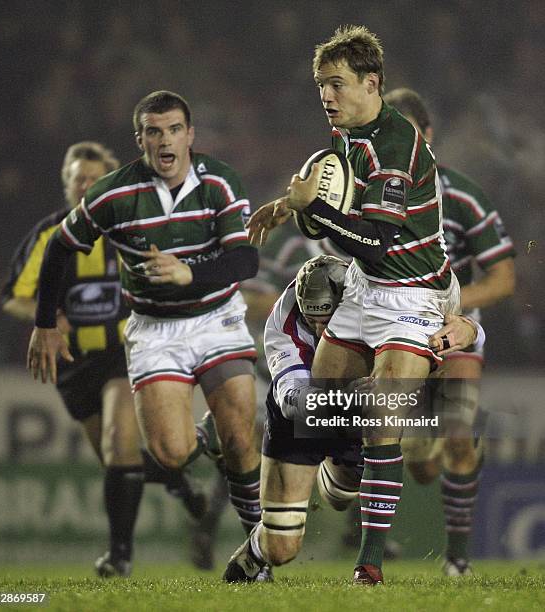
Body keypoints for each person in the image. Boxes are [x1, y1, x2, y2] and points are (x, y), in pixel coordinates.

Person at [247, 25, 462, 584]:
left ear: (373, 83)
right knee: (323, 406)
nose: (327, 95)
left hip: (415, 294)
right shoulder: (347, 132)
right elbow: (345, 210)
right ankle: (345, 466)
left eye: (337, 84)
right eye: (321, 84)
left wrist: (314, 210)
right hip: (367, 287)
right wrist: (284, 206)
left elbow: (376, 238)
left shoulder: (397, 145)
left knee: (384, 419)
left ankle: (369, 565)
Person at [25, 92, 266, 569]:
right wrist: (45, 321)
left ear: (190, 135)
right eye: (153, 132)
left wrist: (190, 274)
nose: (165, 140)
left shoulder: (219, 181)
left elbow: (245, 259)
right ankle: (205, 439)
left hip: (216, 317)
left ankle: (257, 553)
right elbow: (59, 249)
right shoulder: (113, 194)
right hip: (155, 330)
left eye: (174, 129)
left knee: (240, 431)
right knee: (171, 452)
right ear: (140, 140)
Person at [2, 141, 212, 577]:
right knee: (118, 460)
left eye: (93, 179)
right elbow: (15, 299)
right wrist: (50, 319)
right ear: (67, 184)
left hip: (125, 353)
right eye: (78, 178)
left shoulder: (131, 229)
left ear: (107, 182)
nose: (85, 186)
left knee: (120, 441)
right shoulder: (49, 236)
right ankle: (178, 482)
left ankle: (119, 557)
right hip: (74, 362)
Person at [223, 255, 484, 582]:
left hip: (357, 409)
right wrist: (346, 399)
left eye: (328, 320)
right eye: (312, 320)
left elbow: (453, 328)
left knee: (340, 494)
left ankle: (344, 471)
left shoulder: (376, 297)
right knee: (281, 548)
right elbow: (292, 399)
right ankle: (254, 552)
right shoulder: (283, 321)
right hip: (302, 417)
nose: (320, 330)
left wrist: (471, 328)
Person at [383, 87, 516, 576]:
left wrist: (453, 308)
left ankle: (458, 558)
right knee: (417, 457)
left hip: (454, 330)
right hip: (395, 329)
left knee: (458, 434)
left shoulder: (460, 195)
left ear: (429, 137)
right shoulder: (372, 198)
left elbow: (503, 278)